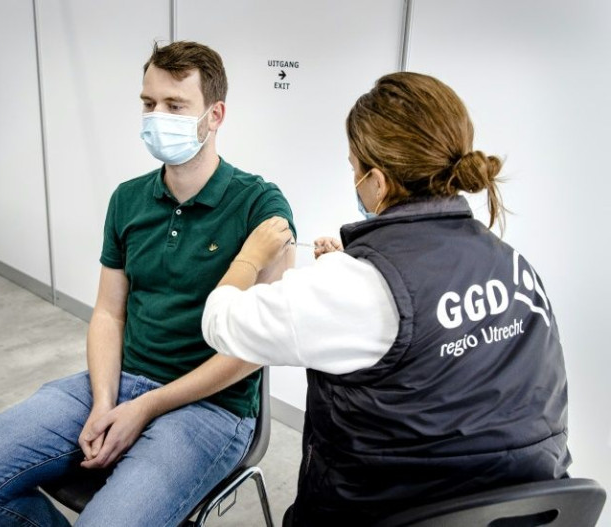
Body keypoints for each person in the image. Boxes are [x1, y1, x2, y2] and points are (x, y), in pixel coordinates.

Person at [0, 41, 295, 527]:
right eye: (148, 103)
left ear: (215, 115)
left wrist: (145, 407)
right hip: (119, 381)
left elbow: (254, 349)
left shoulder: (261, 207)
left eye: (175, 105)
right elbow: (108, 313)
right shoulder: (128, 200)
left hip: (212, 408)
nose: (156, 116)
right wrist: (105, 401)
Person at [202, 72, 571, 526]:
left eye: (354, 166)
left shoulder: (358, 286)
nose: (354, 178)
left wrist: (248, 258)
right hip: (518, 511)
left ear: (376, 180)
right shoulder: (512, 264)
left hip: (385, 514)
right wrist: (354, 272)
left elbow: (221, 322)